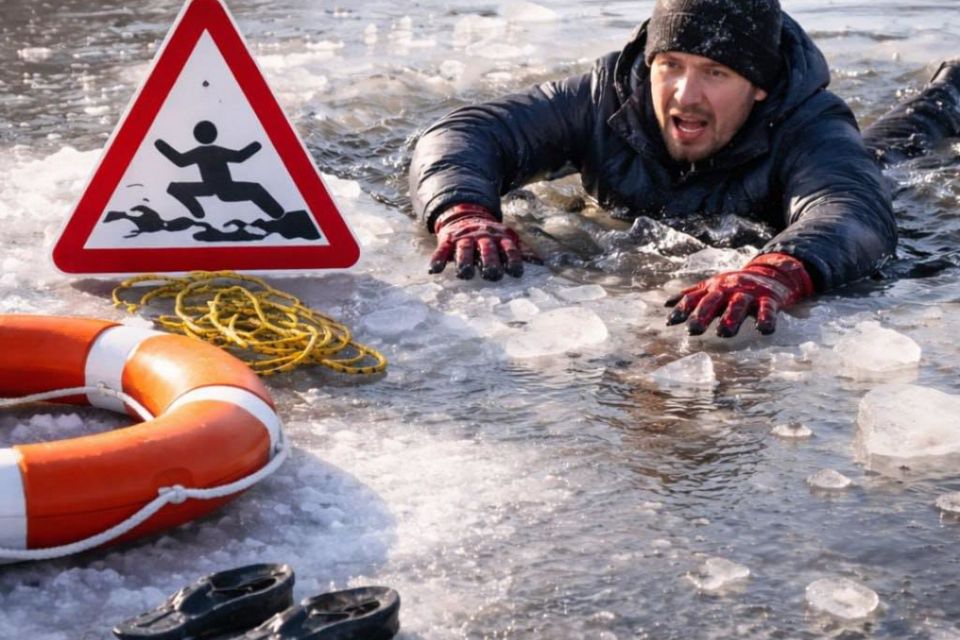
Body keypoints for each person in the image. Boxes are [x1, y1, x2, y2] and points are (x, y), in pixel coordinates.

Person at [409, 0, 960, 337]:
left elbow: (851, 210)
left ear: (759, 86)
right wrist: (463, 212)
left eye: (715, 73)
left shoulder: (812, 125)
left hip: (833, 180)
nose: (685, 94)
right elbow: (464, 134)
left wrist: (778, 270)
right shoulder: (605, 95)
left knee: (897, 148)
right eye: (670, 65)